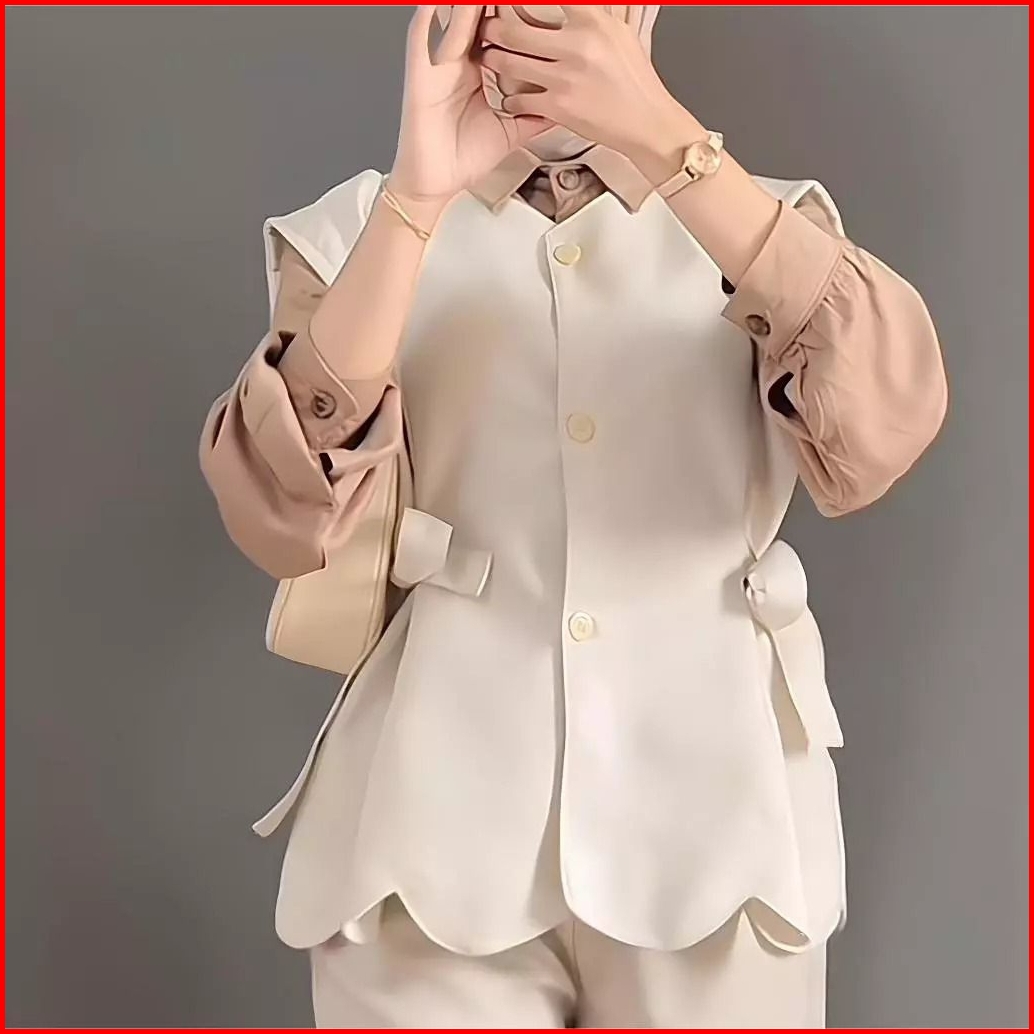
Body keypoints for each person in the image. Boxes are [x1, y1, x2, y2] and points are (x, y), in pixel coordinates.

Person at [200, 5, 947, 1028]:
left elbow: (878, 432)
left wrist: (667, 141)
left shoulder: (772, 221)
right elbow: (280, 515)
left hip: (720, 828)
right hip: (424, 834)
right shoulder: (348, 233)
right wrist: (416, 202)